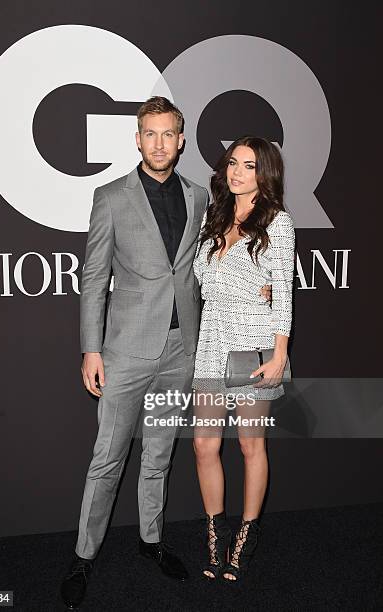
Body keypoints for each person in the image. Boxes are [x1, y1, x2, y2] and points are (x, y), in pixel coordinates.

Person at [60, 96, 210, 609]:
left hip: (179, 352)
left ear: (182, 139)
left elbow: (200, 270)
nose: (160, 143)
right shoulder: (111, 197)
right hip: (124, 353)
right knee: (108, 458)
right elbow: (94, 278)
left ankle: (151, 542)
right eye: (150, 133)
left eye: (169, 133)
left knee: (160, 454)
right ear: (137, 137)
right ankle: (83, 556)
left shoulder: (199, 197)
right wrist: (91, 349)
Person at [192, 136, 295, 582]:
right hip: (211, 343)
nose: (236, 172)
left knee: (251, 445)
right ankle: (215, 532)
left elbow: (284, 294)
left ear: (264, 173)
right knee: (203, 446)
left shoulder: (278, 222)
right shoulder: (212, 215)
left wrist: (279, 355)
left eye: (248, 166)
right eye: (232, 162)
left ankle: (245, 536)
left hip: (253, 347)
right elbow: (200, 278)